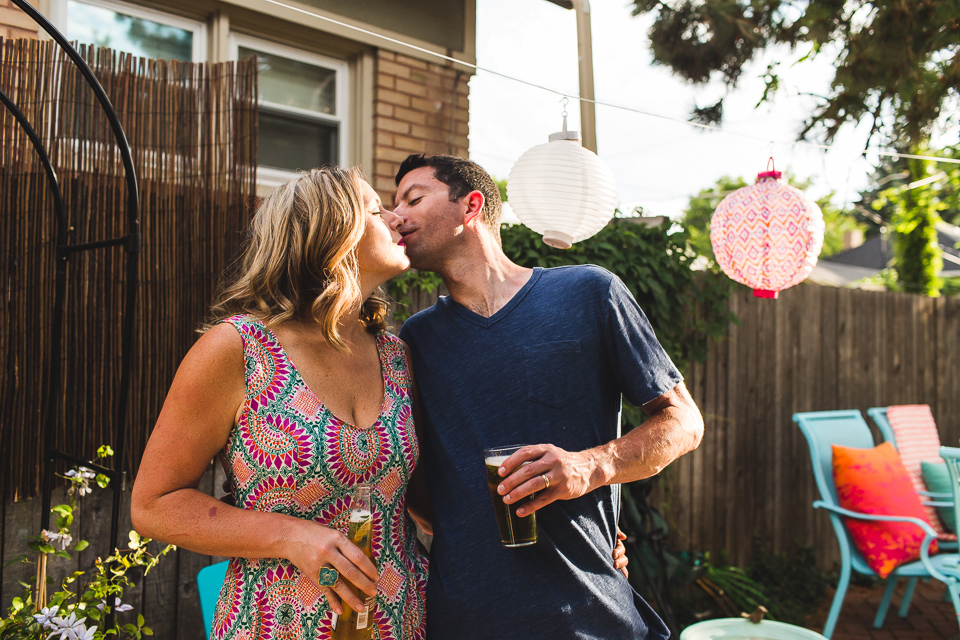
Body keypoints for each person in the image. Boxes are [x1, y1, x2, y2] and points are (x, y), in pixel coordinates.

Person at [391, 154, 704, 640]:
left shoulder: (589, 293)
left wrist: (591, 468)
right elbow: (419, 485)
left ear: (471, 206)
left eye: (413, 199)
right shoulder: (416, 340)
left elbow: (683, 422)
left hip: (590, 611)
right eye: (393, 206)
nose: (397, 217)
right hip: (466, 618)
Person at [130, 167, 430, 640]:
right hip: (278, 620)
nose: (398, 220)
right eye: (378, 210)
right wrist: (291, 536)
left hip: (400, 618)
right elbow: (154, 504)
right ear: (330, 233)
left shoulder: (396, 356)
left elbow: (418, 499)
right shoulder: (237, 350)